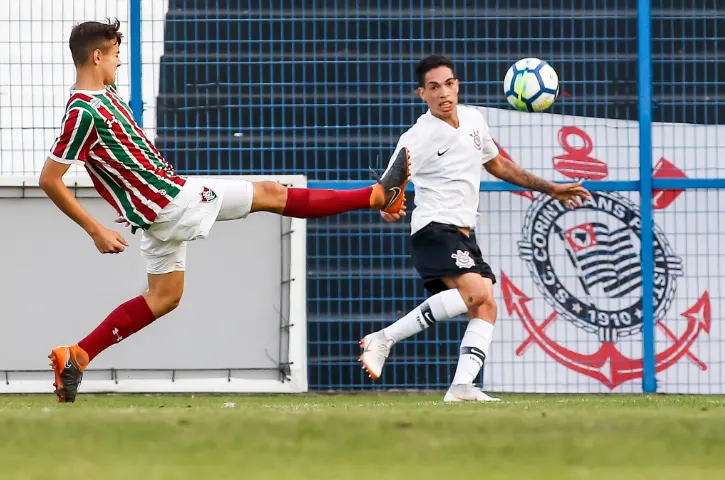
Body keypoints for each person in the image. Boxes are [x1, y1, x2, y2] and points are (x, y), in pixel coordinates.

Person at [42, 19, 410, 403]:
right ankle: (376, 195)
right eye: (115, 55)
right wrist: (95, 230)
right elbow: (50, 179)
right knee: (271, 193)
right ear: (96, 56)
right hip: (170, 201)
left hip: (155, 214)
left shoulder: (103, 92)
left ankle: (78, 355)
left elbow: (109, 161)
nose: (119, 62)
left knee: (165, 296)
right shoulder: (82, 111)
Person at [359, 55, 590, 402]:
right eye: (433, 87)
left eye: (448, 84)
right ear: (422, 94)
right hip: (434, 228)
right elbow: (388, 183)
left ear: (457, 85)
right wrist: (387, 208)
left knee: (487, 306)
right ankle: (384, 338)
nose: (443, 93)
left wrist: (551, 188)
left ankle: (462, 386)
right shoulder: (418, 136)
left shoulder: (473, 119)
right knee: (477, 295)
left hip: (463, 232)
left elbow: (496, 164)